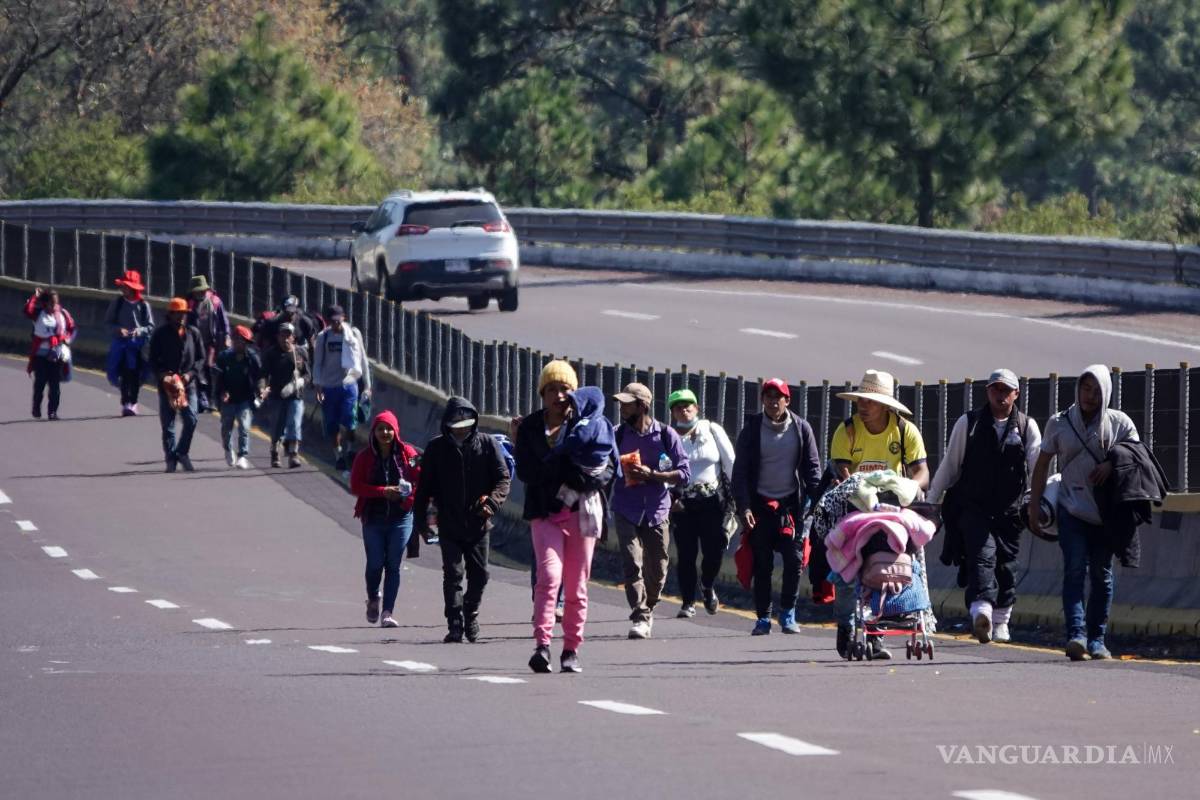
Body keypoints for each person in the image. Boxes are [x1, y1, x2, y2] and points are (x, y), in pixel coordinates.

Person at [1028, 365, 1140, 661]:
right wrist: (1033, 503)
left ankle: (1097, 639)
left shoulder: (1120, 423)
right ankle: (1076, 635)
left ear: (1106, 392)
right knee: (1075, 570)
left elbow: (1138, 456)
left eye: (1096, 390)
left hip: (1106, 515)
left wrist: (1112, 462)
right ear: (1077, 388)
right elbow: (1042, 465)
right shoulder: (1059, 422)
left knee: (1102, 575)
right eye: (1085, 388)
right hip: (1071, 510)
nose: (1090, 396)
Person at [514, 361, 615, 674]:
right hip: (545, 512)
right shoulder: (530, 427)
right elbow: (528, 472)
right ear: (542, 394)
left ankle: (571, 649)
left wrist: (584, 476)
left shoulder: (592, 424)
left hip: (581, 513)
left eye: (564, 390)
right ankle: (542, 645)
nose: (558, 396)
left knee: (577, 586)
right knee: (549, 576)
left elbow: (609, 468)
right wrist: (559, 466)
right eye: (552, 390)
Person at [928, 368, 1041, 644]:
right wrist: (931, 501)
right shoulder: (969, 423)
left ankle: (1001, 621)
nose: (1000, 395)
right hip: (973, 508)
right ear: (987, 391)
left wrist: (1038, 503)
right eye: (995, 389)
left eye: (1006, 390)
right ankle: (982, 613)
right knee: (981, 557)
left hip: (1010, 512)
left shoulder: (1027, 427)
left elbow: (1038, 471)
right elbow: (950, 466)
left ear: (1016, 394)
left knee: (1006, 566)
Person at [827, 369, 929, 658]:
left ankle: (878, 635)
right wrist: (860, 488)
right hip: (855, 508)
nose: (863, 405)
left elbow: (922, 472)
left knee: (889, 566)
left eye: (870, 401)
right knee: (850, 571)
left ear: (885, 404)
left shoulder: (904, 431)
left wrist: (909, 486)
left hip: (893, 510)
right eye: (861, 400)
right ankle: (847, 627)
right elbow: (843, 471)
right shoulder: (847, 430)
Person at [413, 396, 511, 644]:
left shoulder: (487, 444)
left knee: (480, 575)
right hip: (449, 524)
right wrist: (422, 524)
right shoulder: (436, 449)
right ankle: (454, 621)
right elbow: (423, 490)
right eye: (455, 422)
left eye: (465, 421)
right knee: (453, 574)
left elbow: (503, 478)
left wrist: (492, 503)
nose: (461, 427)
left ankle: (471, 611)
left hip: (479, 524)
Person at [731, 379, 822, 635]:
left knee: (794, 561)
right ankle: (763, 617)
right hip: (759, 505)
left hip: (790, 507)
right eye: (768, 397)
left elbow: (812, 471)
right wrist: (744, 508)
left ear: (787, 400)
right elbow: (740, 473)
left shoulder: (801, 429)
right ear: (762, 400)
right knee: (762, 562)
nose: (772, 402)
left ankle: (788, 612)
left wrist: (814, 504)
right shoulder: (751, 430)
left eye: (777, 397)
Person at [611, 382, 690, 640]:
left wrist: (654, 475)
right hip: (625, 508)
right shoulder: (617, 435)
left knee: (657, 567)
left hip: (657, 509)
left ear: (642, 406)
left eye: (627, 403)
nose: (622, 408)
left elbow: (684, 474)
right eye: (621, 403)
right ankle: (640, 616)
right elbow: (604, 468)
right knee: (632, 563)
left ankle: (649, 606)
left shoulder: (667, 435)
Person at [350, 411, 422, 628]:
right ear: (374, 431)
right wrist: (383, 491)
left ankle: (388, 612)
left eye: (389, 428)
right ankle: (373, 597)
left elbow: (421, 480)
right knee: (374, 564)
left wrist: (407, 497)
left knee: (393, 564)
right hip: (373, 518)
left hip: (401, 518)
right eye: (381, 428)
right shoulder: (364, 457)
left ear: (396, 431)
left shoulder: (408, 453)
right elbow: (356, 486)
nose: (385, 433)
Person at [668, 388, 735, 617]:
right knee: (685, 555)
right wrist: (669, 498)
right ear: (672, 412)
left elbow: (730, 462)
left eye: (688, 405)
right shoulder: (669, 436)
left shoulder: (711, 429)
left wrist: (738, 497)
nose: (684, 409)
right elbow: (663, 468)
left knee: (713, 551)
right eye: (678, 407)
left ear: (696, 408)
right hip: (682, 505)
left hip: (712, 503)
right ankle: (687, 602)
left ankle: (707, 585)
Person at [149, 297, 205, 473]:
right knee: (168, 425)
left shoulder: (193, 333)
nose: (181, 317)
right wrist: (163, 376)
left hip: (188, 386)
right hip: (167, 387)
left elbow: (201, 358)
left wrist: (190, 375)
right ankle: (170, 459)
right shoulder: (160, 334)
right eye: (178, 314)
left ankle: (182, 452)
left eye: (184, 314)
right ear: (170, 314)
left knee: (191, 419)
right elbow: (152, 359)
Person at [313, 304, 371, 472]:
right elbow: (317, 364)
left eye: (338, 320)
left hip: (349, 386)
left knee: (350, 420)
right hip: (329, 387)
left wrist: (367, 385)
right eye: (333, 321)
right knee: (332, 424)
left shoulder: (353, 335)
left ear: (343, 318)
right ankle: (338, 455)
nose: (336, 324)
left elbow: (363, 360)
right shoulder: (323, 337)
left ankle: (350, 449)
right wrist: (318, 387)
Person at [260, 322, 311, 469]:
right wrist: (262, 388)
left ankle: (293, 454)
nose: (285, 338)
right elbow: (263, 374)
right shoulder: (271, 354)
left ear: (293, 337)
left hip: (295, 396)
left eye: (288, 335)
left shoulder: (300, 353)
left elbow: (308, 374)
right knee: (277, 426)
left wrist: (299, 382)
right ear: (277, 337)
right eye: (283, 335)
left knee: (294, 423)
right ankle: (275, 452)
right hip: (276, 396)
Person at [105, 270, 154, 416]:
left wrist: (139, 331)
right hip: (121, 346)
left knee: (136, 374)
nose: (123, 289)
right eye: (123, 286)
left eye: (126, 287)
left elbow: (150, 326)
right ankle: (126, 401)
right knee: (124, 374)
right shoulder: (117, 303)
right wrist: (118, 330)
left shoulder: (144, 305)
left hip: (138, 346)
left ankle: (133, 402)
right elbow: (108, 323)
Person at [23, 287, 76, 421]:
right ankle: (36, 407)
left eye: (56, 303)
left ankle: (52, 412)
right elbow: (27, 311)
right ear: (45, 303)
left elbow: (71, 328)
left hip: (56, 354)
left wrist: (66, 339)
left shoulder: (63, 314)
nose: (54, 306)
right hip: (41, 355)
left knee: (54, 385)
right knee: (40, 383)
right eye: (51, 303)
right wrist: (35, 297)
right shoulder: (38, 314)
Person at [214, 325, 262, 470]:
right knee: (226, 428)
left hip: (245, 399)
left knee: (244, 426)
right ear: (234, 340)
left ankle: (242, 455)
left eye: (244, 341)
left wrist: (260, 389)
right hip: (228, 399)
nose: (241, 344)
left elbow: (260, 377)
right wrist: (223, 392)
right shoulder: (224, 357)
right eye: (239, 340)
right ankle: (228, 450)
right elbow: (218, 378)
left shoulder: (253, 358)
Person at [186, 275, 230, 413]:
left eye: (202, 290)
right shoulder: (189, 304)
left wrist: (227, 335)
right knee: (196, 368)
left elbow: (224, 321)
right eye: (197, 291)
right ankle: (201, 397)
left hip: (211, 341)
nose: (200, 293)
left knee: (209, 368)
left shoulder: (215, 302)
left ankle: (211, 400)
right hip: (194, 341)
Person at [257, 294, 321, 355]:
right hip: (277, 359)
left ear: (296, 308)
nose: (289, 314)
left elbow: (312, 345)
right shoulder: (271, 324)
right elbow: (264, 347)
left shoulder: (305, 322)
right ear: (282, 309)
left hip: (297, 358)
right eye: (286, 311)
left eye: (292, 311)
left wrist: (312, 363)